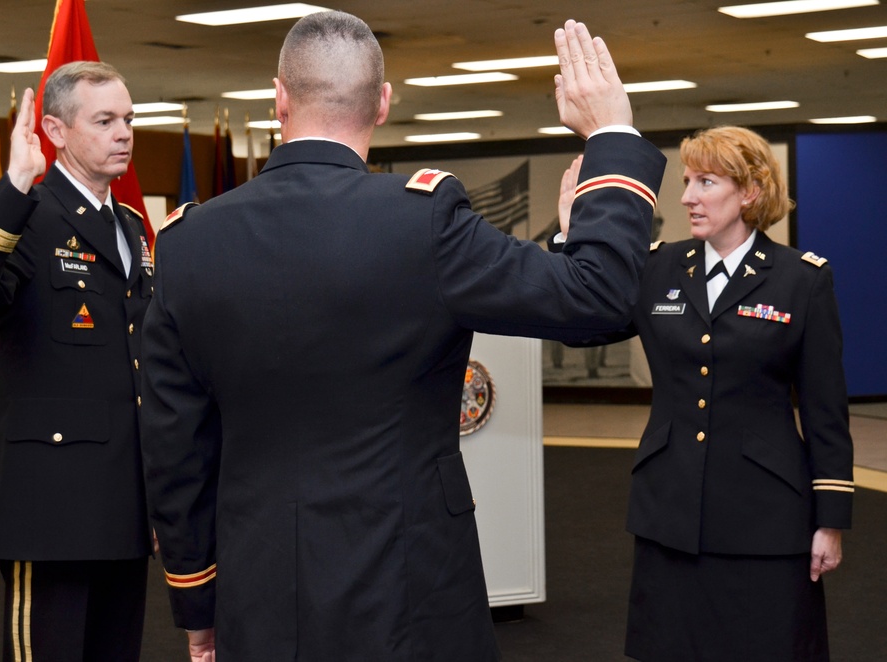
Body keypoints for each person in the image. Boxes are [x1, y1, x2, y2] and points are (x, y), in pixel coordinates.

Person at [141, 12, 666, 661]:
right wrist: (610, 133)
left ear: (278, 96)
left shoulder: (188, 244)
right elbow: (598, 298)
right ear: (383, 102)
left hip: (259, 588)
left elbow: (174, 451)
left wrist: (198, 602)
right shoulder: (424, 221)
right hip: (412, 586)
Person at [556, 126, 854, 661]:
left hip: (766, 520)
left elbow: (825, 411)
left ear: (751, 192)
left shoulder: (801, 281)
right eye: (688, 180)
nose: (687, 196)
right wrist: (570, 240)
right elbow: (581, 328)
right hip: (669, 514)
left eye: (706, 182)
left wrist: (829, 519)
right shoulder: (658, 268)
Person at [0, 62, 152, 662]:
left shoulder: (130, 227)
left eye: (128, 119)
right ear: (54, 130)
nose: (123, 133)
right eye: (104, 120)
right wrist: (14, 186)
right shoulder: (26, 214)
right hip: (51, 507)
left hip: (124, 502)